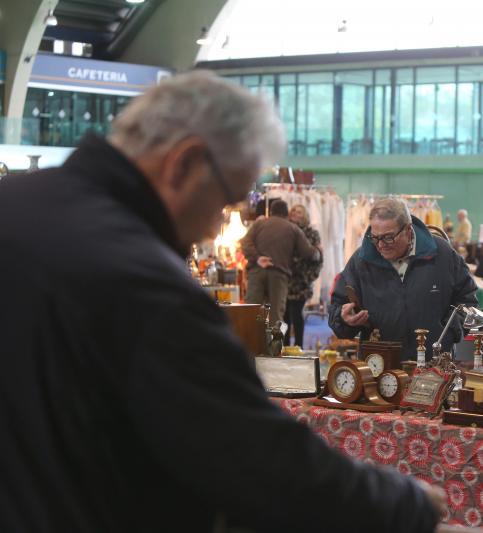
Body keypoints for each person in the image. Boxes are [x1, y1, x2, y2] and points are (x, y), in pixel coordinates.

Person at [0, 71, 443, 532]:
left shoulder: (14, 207)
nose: (217, 227)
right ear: (186, 163)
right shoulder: (144, 282)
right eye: (226, 200)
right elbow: (256, 460)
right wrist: (404, 502)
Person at [329, 197, 478, 360]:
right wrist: (344, 319)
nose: (380, 245)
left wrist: (447, 333)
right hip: (379, 368)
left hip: (435, 367)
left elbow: (468, 300)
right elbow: (337, 306)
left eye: (388, 237)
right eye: (375, 237)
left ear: (408, 230)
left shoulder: (441, 254)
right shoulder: (361, 261)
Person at [241, 198, 319, 324]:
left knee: (251, 312)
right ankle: (273, 343)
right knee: (276, 317)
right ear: (286, 213)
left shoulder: (259, 224)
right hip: (279, 276)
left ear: (271, 211)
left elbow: (245, 243)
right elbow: (308, 252)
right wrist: (318, 251)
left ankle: (250, 343)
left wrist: (257, 258)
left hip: (256, 272)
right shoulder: (293, 229)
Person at [284, 204, 323, 347]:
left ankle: (298, 346)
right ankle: (284, 344)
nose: (295, 213)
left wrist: (310, 276)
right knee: (284, 316)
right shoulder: (285, 230)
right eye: (293, 211)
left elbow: (319, 257)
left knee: (296, 314)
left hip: (302, 280)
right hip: (285, 279)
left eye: (299, 212)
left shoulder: (312, 233)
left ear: (305, 215)